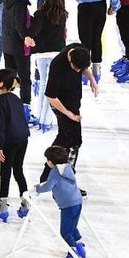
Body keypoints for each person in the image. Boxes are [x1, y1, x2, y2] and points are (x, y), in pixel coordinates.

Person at [41, 44, 95, 183]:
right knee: (74, 141)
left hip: (73, 102)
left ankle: (48, 173)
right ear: (70, 59)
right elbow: (50, 96)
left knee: (64, 138)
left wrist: (92, 80)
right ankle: (67, 179)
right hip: (61, 105)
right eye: (76, 68)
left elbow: (84, 67)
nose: (78, 71)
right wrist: (68, 114)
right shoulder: (58, 66)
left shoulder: (79, 50)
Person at [36, 145, 86, 258]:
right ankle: (80, 247)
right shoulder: (68, 168)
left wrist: (38, 187)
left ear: (51, 161)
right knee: (72, 228)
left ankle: (73, 255)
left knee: (65, 232)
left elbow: (48, 187)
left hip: (68, 205)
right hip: (77, 201)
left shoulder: (55, 172)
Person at [0, 69, 31, 220]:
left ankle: (2, 208)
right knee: (18, 169)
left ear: (1, 84)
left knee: (5, 173)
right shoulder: (16, 99)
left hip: (10, 141)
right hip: (23, 139)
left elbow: (0, 127)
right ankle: (26, 204)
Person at [28, 0, 67, 132]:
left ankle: (41, 118)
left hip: (42, 55)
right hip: (57, 55)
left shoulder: (39, 14)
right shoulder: (62, 16)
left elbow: (34, 30)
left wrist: (30, 37)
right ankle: (46, 120)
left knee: (44, 86)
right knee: (52, 89)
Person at [1, 0, 35, 120]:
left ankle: (7, 107)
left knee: (10, 78)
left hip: (8, 46)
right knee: (25, 79)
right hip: (19, 47)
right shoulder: (20, 4)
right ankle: (25, 111)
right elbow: (19, 24)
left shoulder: (8, 2)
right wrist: (26, 37)